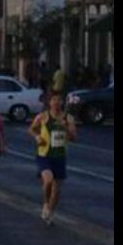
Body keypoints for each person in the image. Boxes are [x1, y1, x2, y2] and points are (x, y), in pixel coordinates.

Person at [29, 92, 78, 226]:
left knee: (56, 190)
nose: (56, 102)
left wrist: (66, 128)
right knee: (48, 180)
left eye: (59, 100)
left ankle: (50, 212)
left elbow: (74, 138)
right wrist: (37, 137)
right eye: (53, 100)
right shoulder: (43, 116)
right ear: (49, 102)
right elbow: (32, 129)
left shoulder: (69, 118)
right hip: (44, 154)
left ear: (62, 102)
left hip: (60, 156)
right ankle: (45, 203)